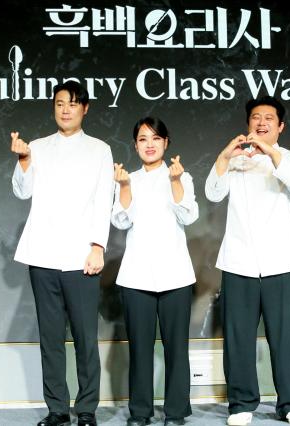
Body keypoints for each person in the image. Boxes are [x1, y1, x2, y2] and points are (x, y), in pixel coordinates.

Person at [10, 80, 113, 426]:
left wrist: (98, 246)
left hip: (82, 256)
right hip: (43, 254)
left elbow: (103, 200)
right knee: (50, 337)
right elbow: (22, 192)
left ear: (85, 108)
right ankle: (57, 409)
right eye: (59, 103)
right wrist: (24, 160)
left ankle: (86, 409)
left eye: (72, 103)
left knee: (85, 337)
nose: (65, 109)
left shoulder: (100, 149)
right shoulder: (36, 147)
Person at [205, 96, 290, 425]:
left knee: (287, 338)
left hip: (282, 262)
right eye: (255, 117)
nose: (261, 122)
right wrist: (225, 157)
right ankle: (241, 404)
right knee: (237, 338)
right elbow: (212, 192)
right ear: (247, 123)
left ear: (280, 126)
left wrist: (270, 152)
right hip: (239, 262)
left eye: (268, 118)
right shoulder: (235, 160)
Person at [111, 117, 198, 426]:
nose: (149, 144)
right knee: (140, 349)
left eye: (155, 138)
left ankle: (175, 412)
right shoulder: (127, 179)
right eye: (143, 139)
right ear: (135, 145)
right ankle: (140, 411)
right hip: (137, 275)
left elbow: (189, 215)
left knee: (177, 348)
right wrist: (123, 187)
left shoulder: (182, 176)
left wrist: (175, 182)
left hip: (175, 274)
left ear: (166, 142)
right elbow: (120, 221)